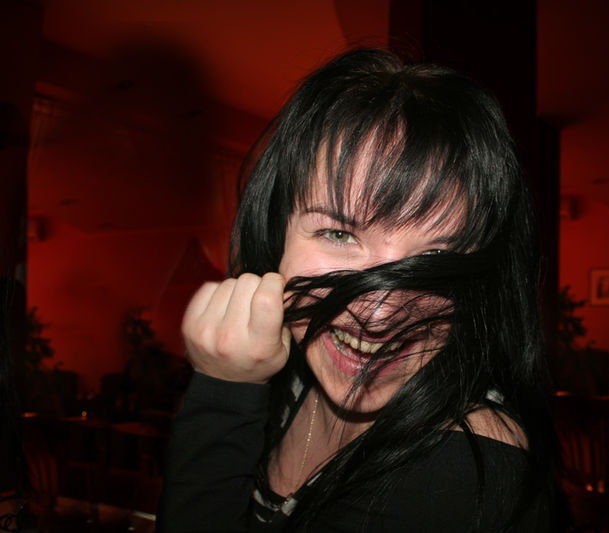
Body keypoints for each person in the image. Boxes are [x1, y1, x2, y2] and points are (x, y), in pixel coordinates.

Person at [157, 49, 563, 532]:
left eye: (434, 258)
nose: (379, 313)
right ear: (277, 231)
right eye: (338, 234)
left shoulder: (465, 471)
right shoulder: (286, 383)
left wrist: (223, 392)